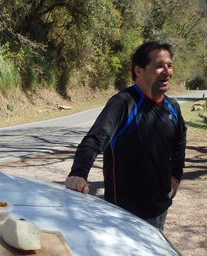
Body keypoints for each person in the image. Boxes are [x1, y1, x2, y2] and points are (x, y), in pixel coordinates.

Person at [65, 41, 186, 231]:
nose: (167, 71)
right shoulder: (124, 103)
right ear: (139, 71)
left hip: (160, 206)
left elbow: (179, 142)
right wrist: (78, 173)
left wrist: (176, 175)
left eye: (169, 66)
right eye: (159, 66)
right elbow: (95, 140)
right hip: (124, 211)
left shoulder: (172, 107)